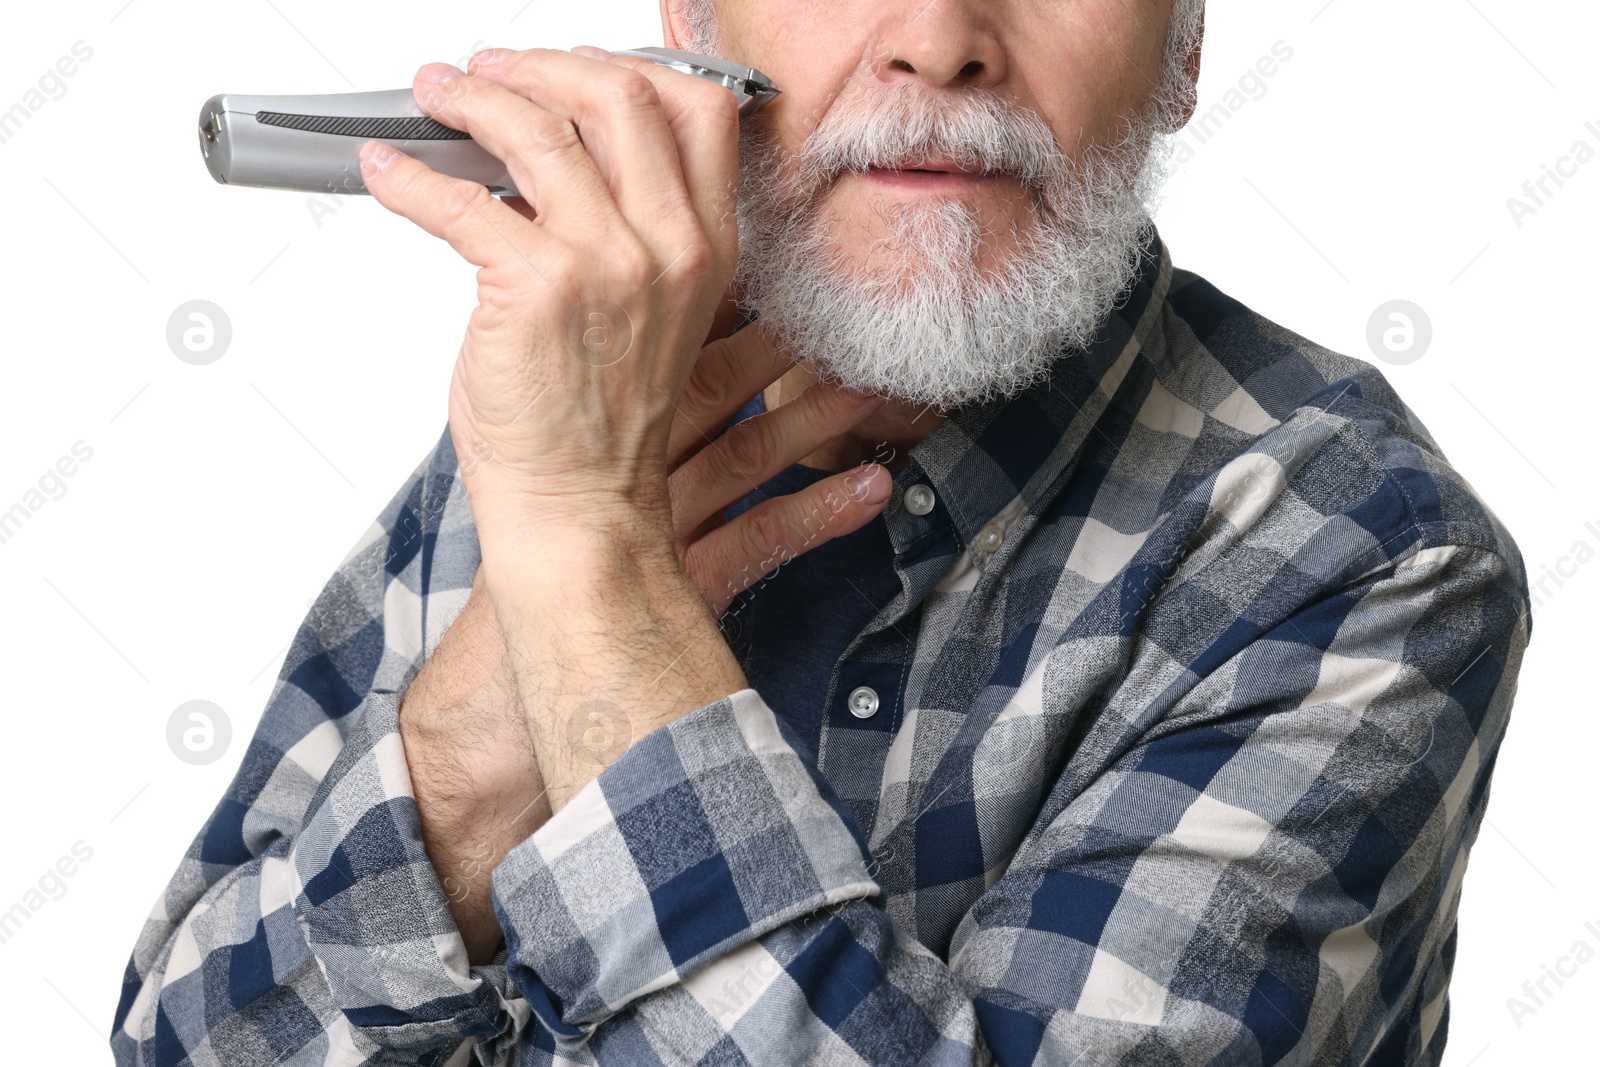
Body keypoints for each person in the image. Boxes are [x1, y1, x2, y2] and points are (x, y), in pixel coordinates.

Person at [111, 1, 1531, 1063]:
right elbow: (190, 1045)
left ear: (1187, 41)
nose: (939, 39)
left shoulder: (1357, 552)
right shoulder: (585, 421)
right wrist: (504, 690)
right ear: (691, 22)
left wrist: (591, 576)